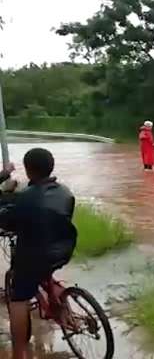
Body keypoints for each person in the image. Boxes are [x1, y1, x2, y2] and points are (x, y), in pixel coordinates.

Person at [0, 148, 77, 359]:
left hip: (34, 256)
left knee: (18, 299)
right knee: (43, 269)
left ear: (28, 170)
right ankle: (59, 303)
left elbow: (7, 220)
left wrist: (6, 186)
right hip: (63, 251)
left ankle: (19, 352)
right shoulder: (65, 192)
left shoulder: (24, 199)